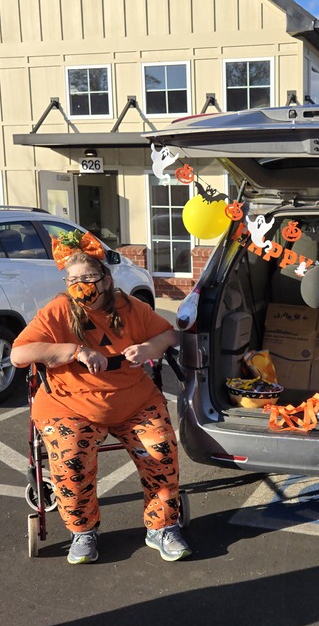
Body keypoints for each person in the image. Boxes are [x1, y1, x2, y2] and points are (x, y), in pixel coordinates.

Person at [11, 230, 190, 565]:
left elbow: (169, 335)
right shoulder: (58, 310)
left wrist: (150, 348)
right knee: (71, 460)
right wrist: (73, 351)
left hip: (133, 401)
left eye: (89, 277)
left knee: (161, 450)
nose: (81, 284)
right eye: (73, 278)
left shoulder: (130, 307)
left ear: (106, 280)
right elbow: (18, 355)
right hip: (70, 405)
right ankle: (83, 531)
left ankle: (162, 526)